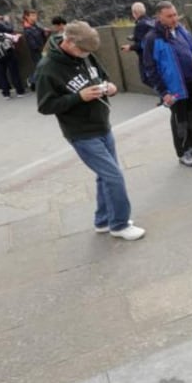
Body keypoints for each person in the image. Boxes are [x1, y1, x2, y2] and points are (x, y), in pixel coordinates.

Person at [36, 21, 144, 240]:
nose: (86, 54)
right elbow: (45, 106)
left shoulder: (86, 56)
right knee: (113, 176)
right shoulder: (47, 68)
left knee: (104, 177)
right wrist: (79, 97)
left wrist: (109, 88)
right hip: (81, 133)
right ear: (69, 42)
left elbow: (103, 77)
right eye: (83, 50)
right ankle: (120, 224)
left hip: (102, 124)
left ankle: (103, 221)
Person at [142, 1, 192, 168]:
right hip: (173, 88)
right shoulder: (152, 38)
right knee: (179, 120)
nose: (174, 18)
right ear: (159, 17)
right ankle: (183, 152)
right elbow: (150, 68)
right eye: (169, 16)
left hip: (191, 81)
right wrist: (163, 91)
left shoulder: (181, 30)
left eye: (175, 14)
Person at [119, 2, 154, 88]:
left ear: (134, 13)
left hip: (146, 56)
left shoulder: (140, 25)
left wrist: (130, 47)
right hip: (154, 53)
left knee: (146, 78)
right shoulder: (151, 21)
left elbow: (143, 43)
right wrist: (134, 37)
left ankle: (165, 94)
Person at [21, 9, 49, 91]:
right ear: (27, 16)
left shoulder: (35, 25)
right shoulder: (27, 29)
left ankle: (33, 80)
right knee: (41, 68)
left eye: (35, 15)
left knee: (42, 67)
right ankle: (31, 80)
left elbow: (41, 35)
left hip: (41, 50)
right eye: (32, 15)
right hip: (37, 52)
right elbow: (32, 44)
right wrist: (41, 49)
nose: (35, 17)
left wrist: (44, 33)